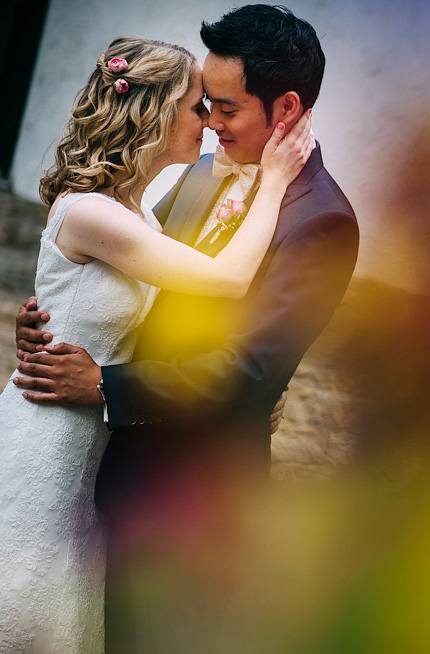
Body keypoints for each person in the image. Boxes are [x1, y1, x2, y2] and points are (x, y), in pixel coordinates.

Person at [13, 5, 360, 651]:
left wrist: (106, 384)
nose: (210, 122)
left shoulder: (322, 222)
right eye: (204, 105)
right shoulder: (200, 174)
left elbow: (251, 371)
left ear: (286, 109)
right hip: (111, 477)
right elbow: (136, 285)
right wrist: (57, 317)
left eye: (224, 108)